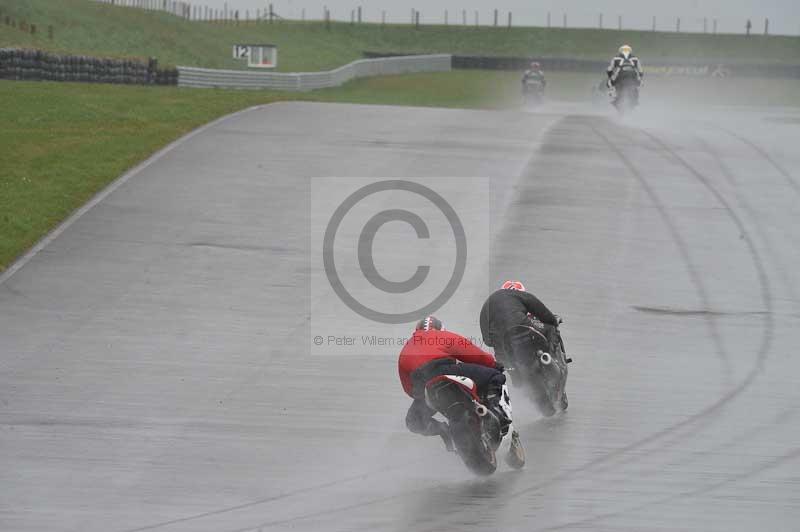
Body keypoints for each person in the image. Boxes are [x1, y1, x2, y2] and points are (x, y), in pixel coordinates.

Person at [398, 316, 507, 452]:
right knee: (495, 376)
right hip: (445, 371)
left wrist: (421, 396)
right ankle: (497, 409)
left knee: (414, 421)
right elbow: (472, 354)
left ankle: (444, 431)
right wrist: (493, 364)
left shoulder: (407, 346)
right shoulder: (440, 335)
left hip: (425, 386)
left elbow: (408, 387)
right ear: (440, 328)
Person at [479, 280, 563, 367]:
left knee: (505, 365)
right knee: (550, 328)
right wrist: (553, 321)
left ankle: (511, 372)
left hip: (500, 343)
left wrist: (495, 342)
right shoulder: (518, 295)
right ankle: (552, 358)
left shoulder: (488, 303)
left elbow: (487, 340)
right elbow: (541, 311)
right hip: (520, 327)